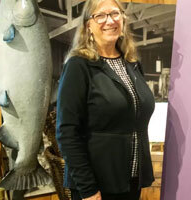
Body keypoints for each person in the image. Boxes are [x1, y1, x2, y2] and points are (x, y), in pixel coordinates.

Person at [55, 0, 155, 199]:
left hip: (131, 180)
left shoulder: (132, 64)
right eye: (100, 15)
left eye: (115, 14)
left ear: (123, 20)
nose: (109, 21)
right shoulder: (79, 66)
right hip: (96, 186)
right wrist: (88, 189)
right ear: (88, 26)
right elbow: (67, 132)